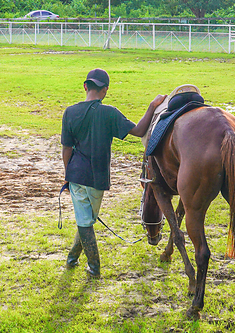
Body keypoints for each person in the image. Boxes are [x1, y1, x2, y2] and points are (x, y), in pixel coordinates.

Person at [61, 68, 164, 277]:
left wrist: (68, 173)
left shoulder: (69, 112)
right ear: (105, 90)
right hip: (98, 177)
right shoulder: (109, 113)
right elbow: (139, 131)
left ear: (85, 86)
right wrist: (153, 106)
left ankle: (73, 257)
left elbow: (66, 148)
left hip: (77, 174)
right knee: (86, 219)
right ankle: (94, 266)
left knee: (86, 220)